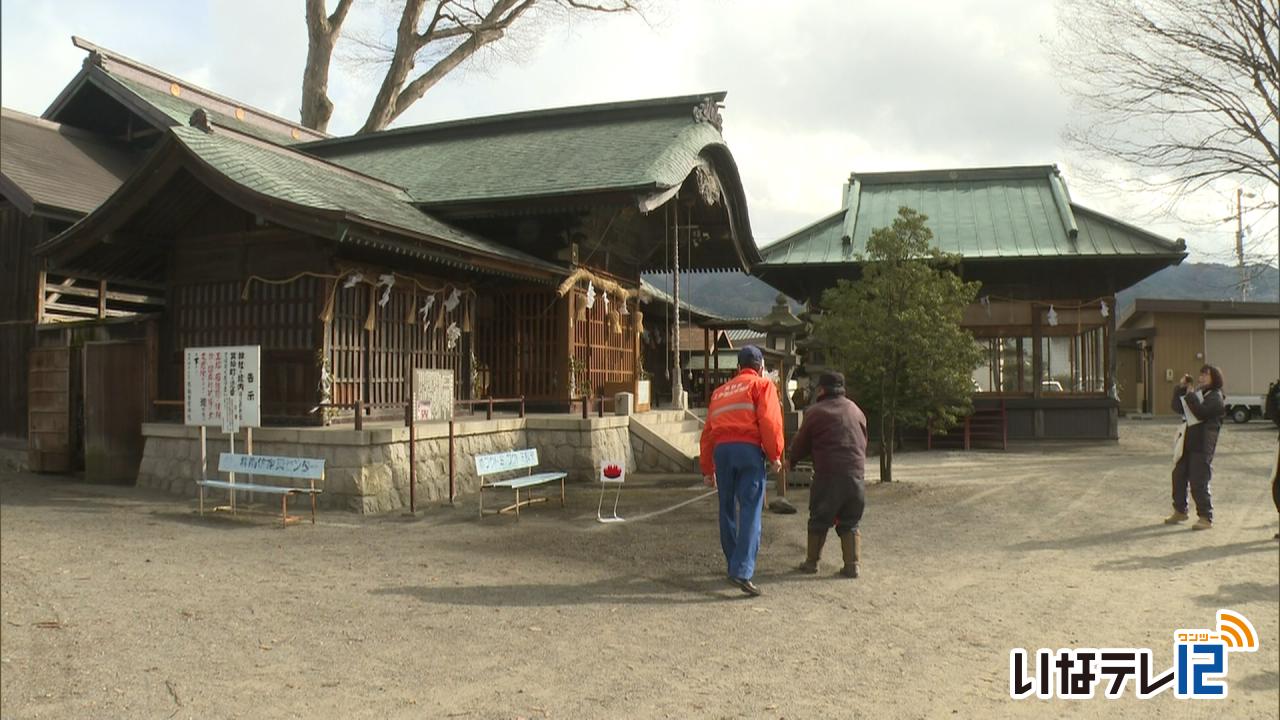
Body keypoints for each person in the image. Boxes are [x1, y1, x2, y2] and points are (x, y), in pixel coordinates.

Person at [700, 345, 784, 597]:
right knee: (750, 508)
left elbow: (708, 433)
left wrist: (707, 469)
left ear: (738, 367)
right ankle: (743, 570)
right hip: (748, 451)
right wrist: (775, 455)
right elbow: (769, 422)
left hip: (722, 451)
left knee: (726, 507)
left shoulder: (720, 392)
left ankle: (733, 564)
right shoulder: (761, 386)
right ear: (760, 368)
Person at [788, 371, 868, 578]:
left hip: (828, 476)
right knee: (850, 521)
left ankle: (812, 563)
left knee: (819, 519)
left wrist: (791, 461)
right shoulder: (856, 410)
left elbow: (801, 443)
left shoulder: (816, 412)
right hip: (856, 475)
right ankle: (852, 565)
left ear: (822, 389)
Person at [1165, 365, 1225, 530]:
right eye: (1202, 374)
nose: (1202, 377)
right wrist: (1181, 389)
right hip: (1189, 442)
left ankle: (1206, 517)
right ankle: (1180, 510)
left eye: (1207, 375)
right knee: (1178, 475)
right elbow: (1178, 407)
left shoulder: (1215, 397)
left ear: (1215, 378)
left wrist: (1190, 395)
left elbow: (1201, 413)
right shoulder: (1200, 393)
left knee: (1199, 480)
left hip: (1203, 444)